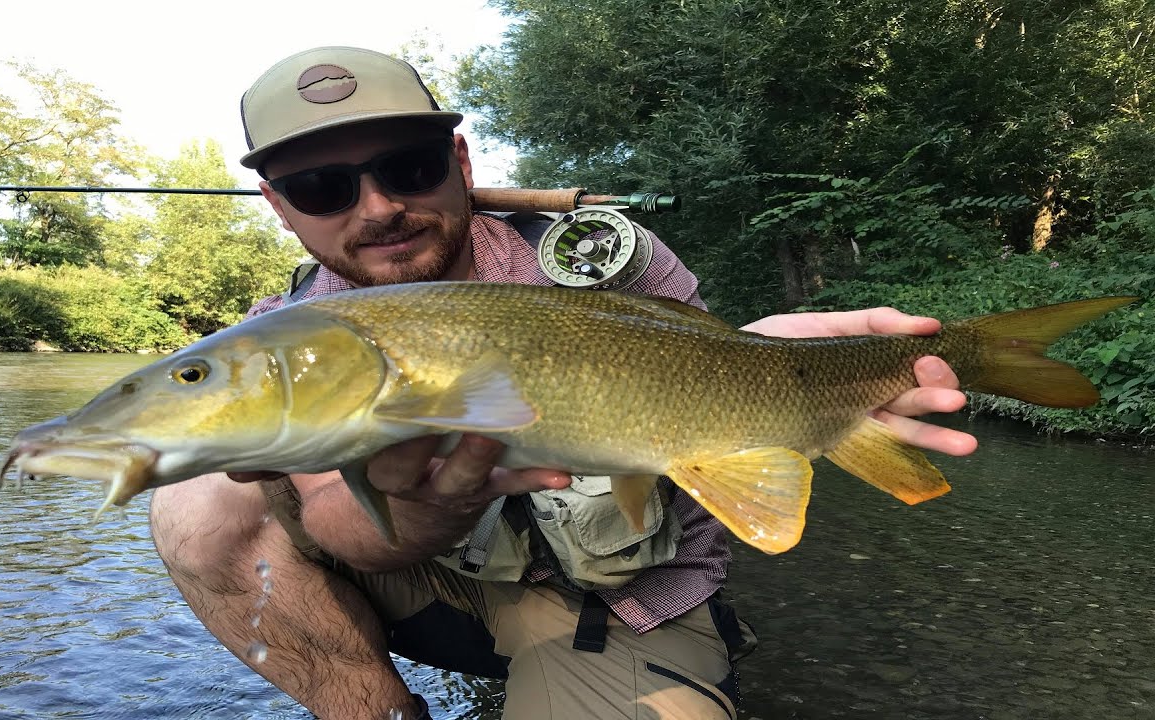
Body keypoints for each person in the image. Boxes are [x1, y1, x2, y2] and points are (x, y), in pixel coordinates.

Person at [149, 46, 974, 720]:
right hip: (427, 580)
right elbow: (338, 519)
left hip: (613, 598)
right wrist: (429, 499)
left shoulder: (599, 262)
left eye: (407, 166)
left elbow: (719, 371)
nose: (377, 208)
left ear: (460, 160)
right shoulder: (284, 336)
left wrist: (804, 382)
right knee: (194, 499)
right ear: (278, 205)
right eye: (321, 187)